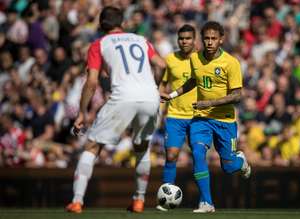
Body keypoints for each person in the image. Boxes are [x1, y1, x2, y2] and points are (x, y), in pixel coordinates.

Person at [65, 6, 166, 213]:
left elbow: (92, 82)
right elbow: (162, 64)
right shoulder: (140, 39)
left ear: (101, 25)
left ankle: (77, 201)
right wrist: (154, 87)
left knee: (92, 147)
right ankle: (138, 200)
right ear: (123, 23)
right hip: (150, 97)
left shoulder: (98, 44)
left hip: (122, 96)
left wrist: (82, 113)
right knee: (142, 147)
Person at [161, 21, 251, 213]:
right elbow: (193, 81)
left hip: (225, 120)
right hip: (201, 118)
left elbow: (237, 95)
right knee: (198, 153)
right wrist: (172, 95)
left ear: (221, 40)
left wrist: (209, 103)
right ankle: (207, 203)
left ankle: (240, 161)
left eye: (213, 38)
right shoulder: (195, 59)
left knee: (228, 166)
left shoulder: (231, 62)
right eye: (207, 38)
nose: (210, 42)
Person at [156, 24, 197, 211]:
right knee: (171, 155)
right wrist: (159, 98)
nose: (184, 41)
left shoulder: (202, 60)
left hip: (198, 116)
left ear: (194, 40)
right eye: (181, 38)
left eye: (188, 38)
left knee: (199, 157)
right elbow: (163, 84)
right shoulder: (170, 59)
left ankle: (205, 200)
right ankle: (166, 198)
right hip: (175, 115)